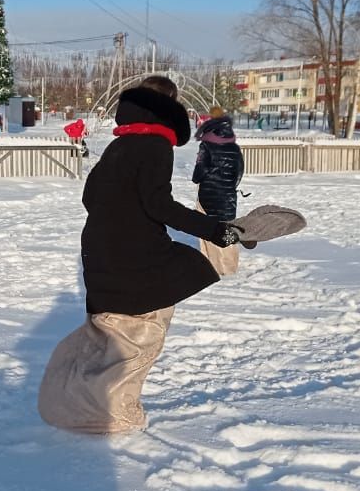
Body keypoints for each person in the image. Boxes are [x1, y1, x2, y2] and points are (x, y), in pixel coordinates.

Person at [37, 76, 249, 435]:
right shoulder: (155, 145)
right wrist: (214, 230)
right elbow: (157, 203)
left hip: (101, 251)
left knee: (109, 330)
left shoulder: (119, 146)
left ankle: (69, 398)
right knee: (141, 332)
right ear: (170, 109)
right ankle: (113, 414)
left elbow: (91, 197)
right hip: (134, 255)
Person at [192, 113, 245, 276]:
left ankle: (213, 266)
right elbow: (239, 172)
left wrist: (198, 177)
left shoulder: (206, 146)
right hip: (228, 197)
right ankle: (230, 266)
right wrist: (229, 187)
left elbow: (199, 173)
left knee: (208, 230)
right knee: (227, 228)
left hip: (208, 196)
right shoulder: (235, 148)